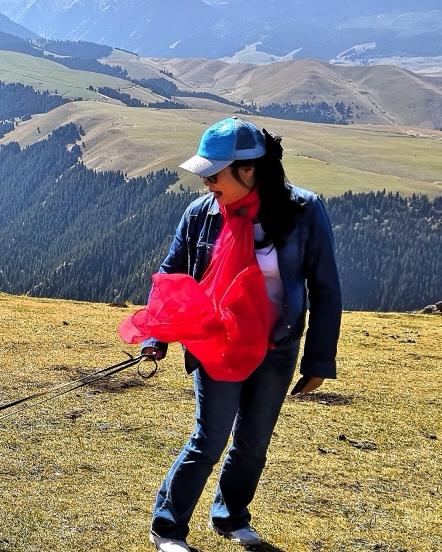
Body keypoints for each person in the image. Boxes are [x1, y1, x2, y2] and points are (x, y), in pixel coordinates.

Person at [120, 117, 342, 551]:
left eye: (214, 173)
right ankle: (167, 528)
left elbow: (326, 287)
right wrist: (156, 336)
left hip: (276, 347)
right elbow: (172, 275)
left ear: (249, 170)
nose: (205, 182)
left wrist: (319, 360)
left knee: (254, 442)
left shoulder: (304, 211)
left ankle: (230, 516)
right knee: (210, 439)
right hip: (215, 344)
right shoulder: (201, 214)